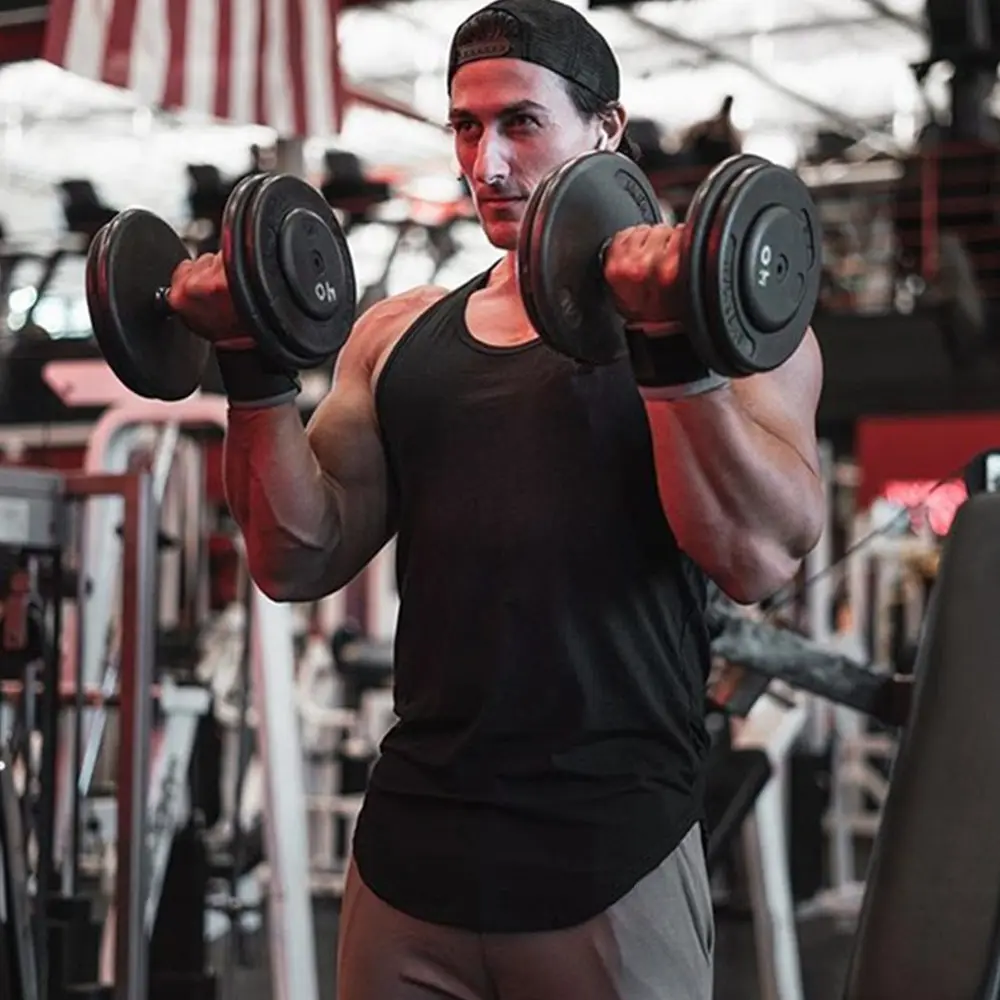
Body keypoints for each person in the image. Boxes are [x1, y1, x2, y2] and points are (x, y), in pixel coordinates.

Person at [169, 0, 825, 996]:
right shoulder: (394, 335)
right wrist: (249, 367)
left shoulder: (726, 322)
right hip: (409, 859)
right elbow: (295, 556)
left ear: (606, 128)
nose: (488, 163)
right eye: (466, 128)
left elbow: (759, 557)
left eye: (520, 122)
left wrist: (668, 348)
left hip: (609, 860)